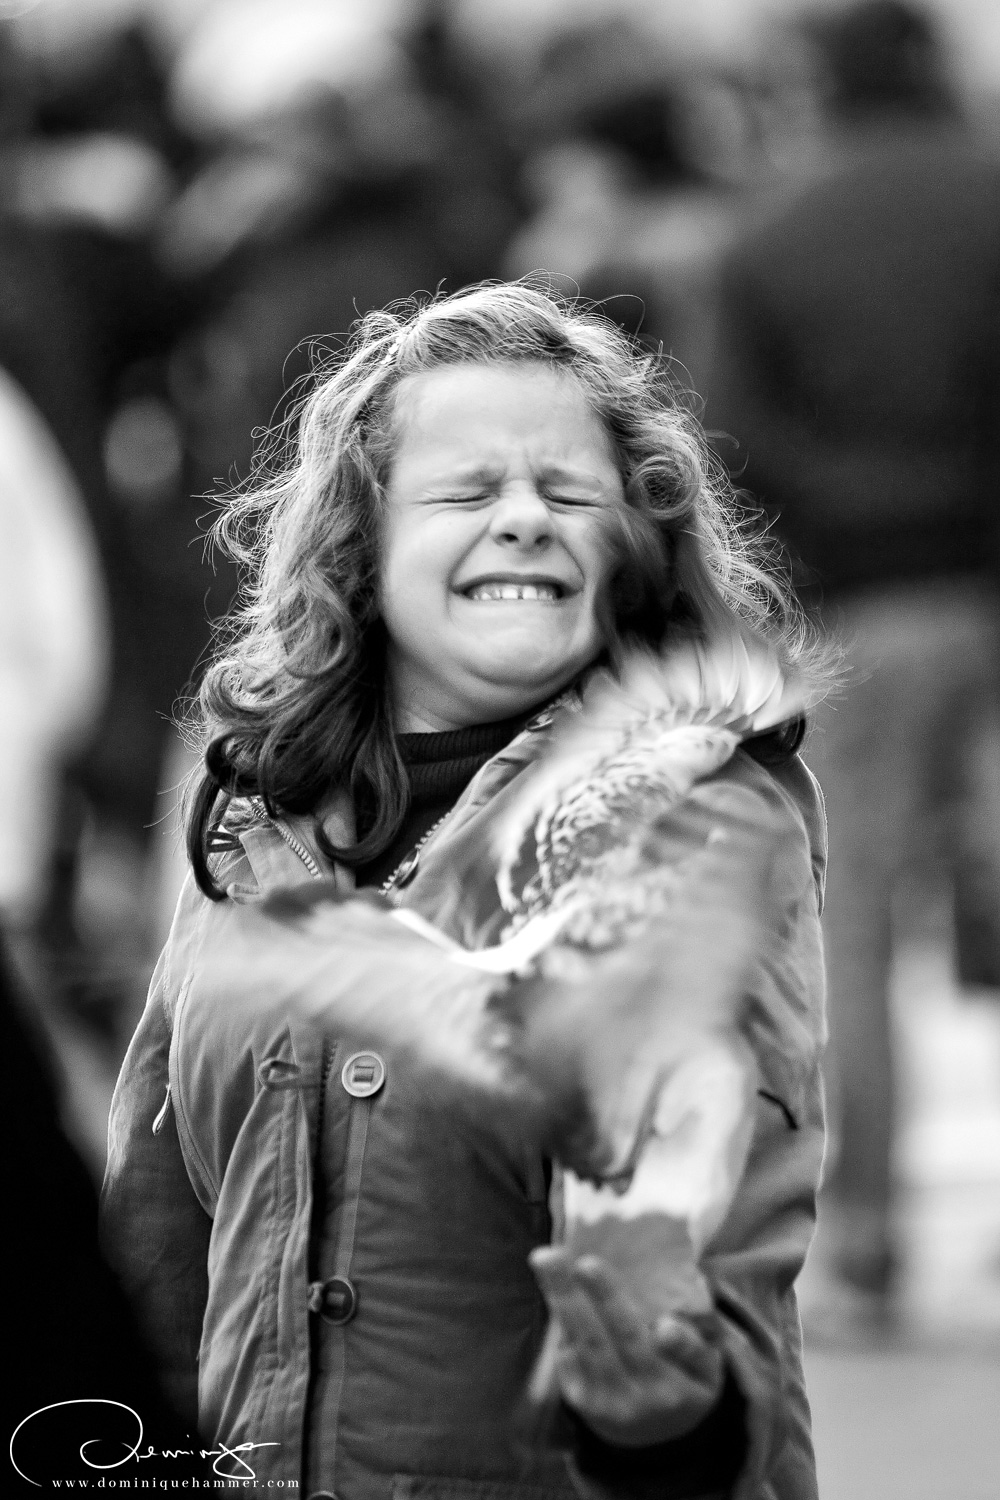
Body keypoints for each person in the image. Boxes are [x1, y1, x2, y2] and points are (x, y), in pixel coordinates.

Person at [102, 283, 829, 1498]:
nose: (525, 520)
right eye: (465, 490)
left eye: (570, 493)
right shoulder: (253, 813)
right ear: (364, 544)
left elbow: (720, 1275)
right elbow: (156, 1237)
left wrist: (664, 1414)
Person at [705, 0, 1000, 1326]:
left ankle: (870, 1235)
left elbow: (735, 441)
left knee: (860, 914)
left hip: (861, 607)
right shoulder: (987, 198)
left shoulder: (772, 231)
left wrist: (848, 518)